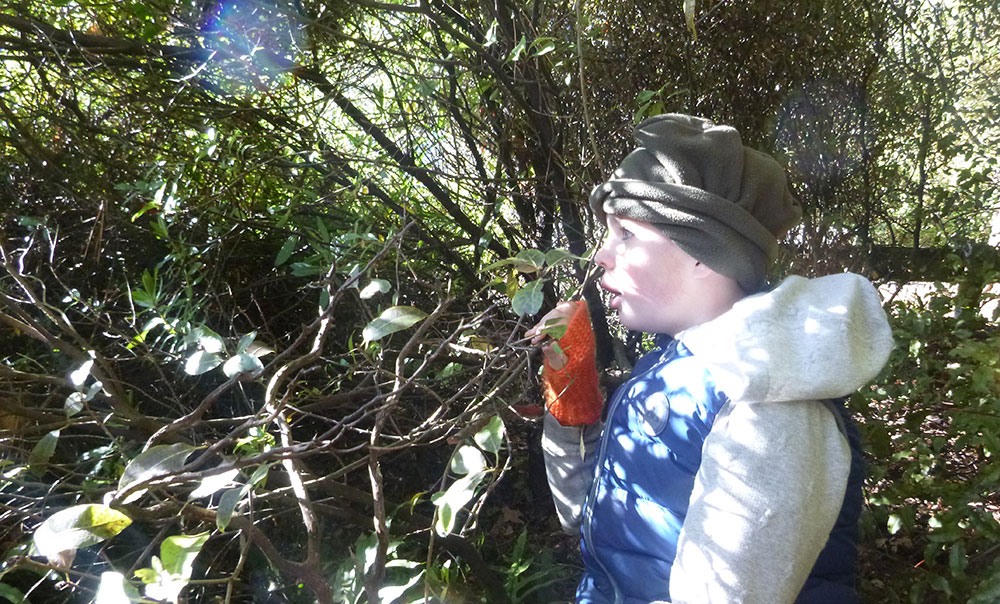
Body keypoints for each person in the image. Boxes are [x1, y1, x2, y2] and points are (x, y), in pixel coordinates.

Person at [526, 114, 894, 604]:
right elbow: (590, 514)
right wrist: (572, 397)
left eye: (625, 234)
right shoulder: (670, 369)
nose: (601, 255)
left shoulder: (766, 401)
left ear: (703, 253)